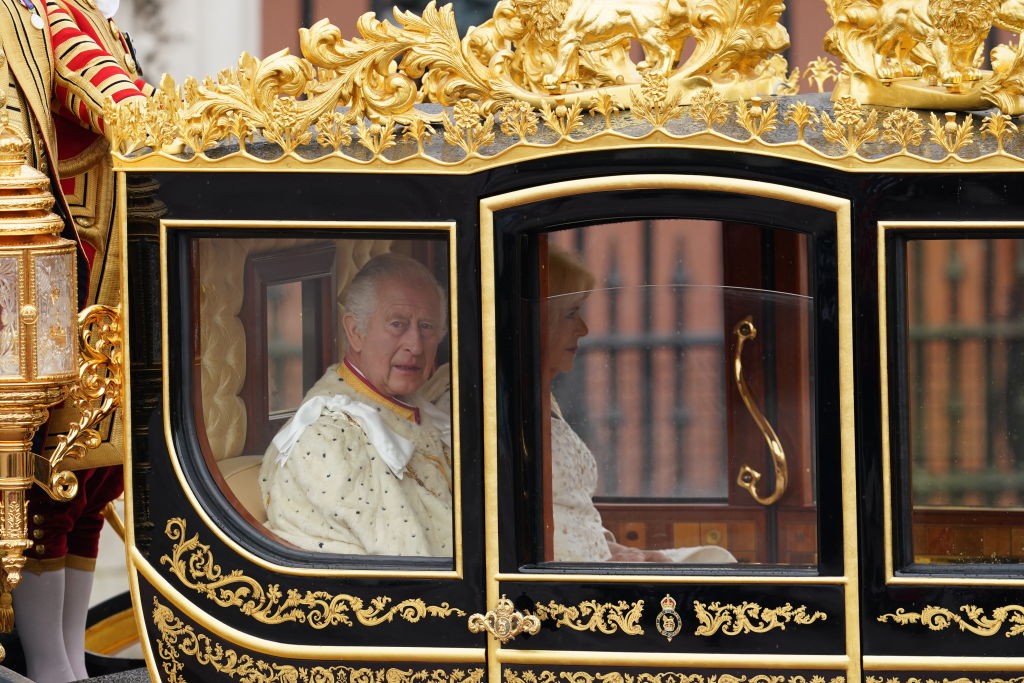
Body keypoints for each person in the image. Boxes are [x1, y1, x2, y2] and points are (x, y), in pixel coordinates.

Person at [2, 1, 154, 681]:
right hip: (55, 277)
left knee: (86, 484)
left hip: (92, 277)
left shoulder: (79, 13)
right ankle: (51, 658)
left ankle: (63, 653)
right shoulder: (55, 14)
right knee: (51, 479)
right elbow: (120, 106)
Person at [544, 246, 736, 564]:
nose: (583, 328)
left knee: (714, 561)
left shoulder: (545, 400)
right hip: (570, 583)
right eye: (570, 313)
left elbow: (569, 512)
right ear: (539, 320)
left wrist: (617, 549)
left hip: (596, 561)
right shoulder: (490, 411)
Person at [259, 254, 453, 557]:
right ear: (355, 331)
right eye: (397, 325)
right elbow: (406, 566)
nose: (415, 346)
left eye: (426, 327)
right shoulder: (328, 440)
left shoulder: (418, 407)